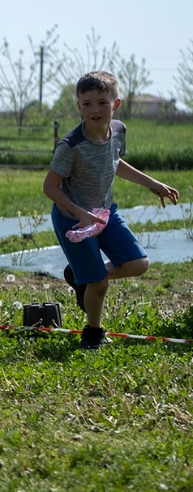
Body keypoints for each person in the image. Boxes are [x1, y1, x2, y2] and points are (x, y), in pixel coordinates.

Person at [43, 71, 179, 350]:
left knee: (138, 265)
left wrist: (151, 183)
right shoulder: (70, 146)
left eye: (102, 102)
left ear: (116, 104)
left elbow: (114, 161)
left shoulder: (118, 130)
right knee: (99, 284)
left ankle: (82, 276)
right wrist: (81, 213)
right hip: (74, 220)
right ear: (79, 106)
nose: (95, 109)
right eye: (88, 103)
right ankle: (93, 331)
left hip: (105, 213)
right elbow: (50, 188)